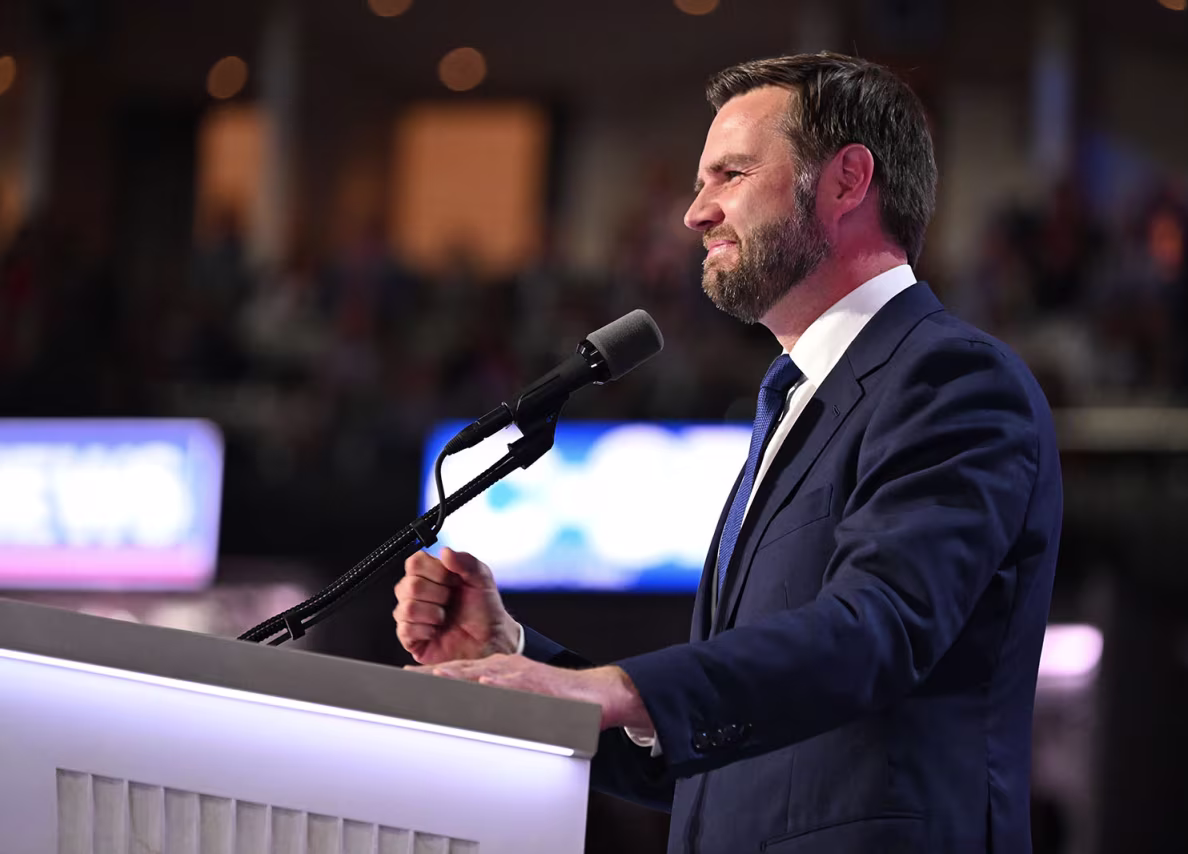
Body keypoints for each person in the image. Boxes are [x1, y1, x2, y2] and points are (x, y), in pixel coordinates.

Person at [393, 52, 1062, 854]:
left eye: (730, 174)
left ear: (847, 181)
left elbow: (876, 628)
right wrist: (525, 662)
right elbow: (710, 758)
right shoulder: (796, 401)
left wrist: (615, 687)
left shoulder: (950, 377)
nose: (694, 213)